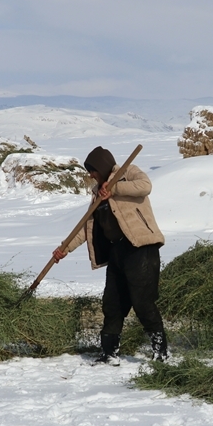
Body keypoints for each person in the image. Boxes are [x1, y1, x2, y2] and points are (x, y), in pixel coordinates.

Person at [52, 146, 168, 365]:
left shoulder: (129, 172)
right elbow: (86, 227)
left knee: (143, 303)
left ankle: (160, 351)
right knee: (112, 304)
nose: (91, 175)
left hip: (141, 248)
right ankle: (109, 353)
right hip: (117, 253)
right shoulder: (97, 193)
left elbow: (146, 186)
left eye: (93, 170)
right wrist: (63, 249)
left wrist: (115, 189)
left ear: (102, 166)